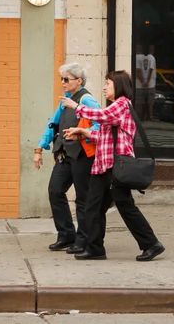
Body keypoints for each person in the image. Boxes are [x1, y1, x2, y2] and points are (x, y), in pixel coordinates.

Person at [60, 71, 165, 262]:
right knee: (94, 208)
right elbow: (105, 137)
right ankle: (95, 249)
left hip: (116, 167)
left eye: (108, 83)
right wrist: (83, 132)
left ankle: (151, 244)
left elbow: (102, 115)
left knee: (124, 207)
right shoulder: (116, 107)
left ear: (118, 85)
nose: (104, 87)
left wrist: (77, 106)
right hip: (104, 166)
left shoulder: (122, 104)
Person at [32, 62, 101, 254]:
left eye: (66, 79)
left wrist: (82, 133)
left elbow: (100, 124)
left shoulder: (87, 99)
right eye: (61, 79)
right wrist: (40, 147)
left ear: (79, 81)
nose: (62, 82)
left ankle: (83, 239)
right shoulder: (66, 99)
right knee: (55, 191)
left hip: (82, 155)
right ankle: (66, 235)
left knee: (83, 198)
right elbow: (53, 124)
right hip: (64, 154)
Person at [134, 44, 156, 121]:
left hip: (139, 85)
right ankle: (148, 116)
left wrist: (143, 82)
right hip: (149, 84)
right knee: (149, 102)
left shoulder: (137, 57)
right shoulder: (149, 58)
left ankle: (140, 117)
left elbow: (138, 71)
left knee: (139, 102)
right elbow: (149, 70)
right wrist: (146, 82)